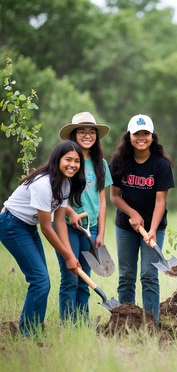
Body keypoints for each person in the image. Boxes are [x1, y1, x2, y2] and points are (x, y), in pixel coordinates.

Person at [0, 140, 85, 336]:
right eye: (68, 159)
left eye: (77, 161)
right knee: (40, 280)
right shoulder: (43, 185)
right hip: (11, 224)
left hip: (28, 226)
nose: (73, 164)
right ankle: (30, 332)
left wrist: (70, 253)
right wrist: (68, 257)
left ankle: (32, 329)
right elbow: (47, 228)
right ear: (57, 160)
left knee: (41, 280)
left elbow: (60, 222)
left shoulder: (65, 183)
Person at [109, 114, 174, 323]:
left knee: (149, 274)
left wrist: (153, 229)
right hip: (126, 226)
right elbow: (115, 197)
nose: (141, 137)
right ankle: (125, 321)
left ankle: (151, 322)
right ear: (129, 136)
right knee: (126, 275)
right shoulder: (119, 161)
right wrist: (133, 213)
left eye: (145, 133)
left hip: (154, 226)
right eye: (137, 133)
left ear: (152, 136)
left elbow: (160, 202)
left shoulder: (161, 164)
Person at [58, 112, 113, 322]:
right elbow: (56, 196)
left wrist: (101, 232)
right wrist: (71, 212)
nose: (87, 135)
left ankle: (81, 323)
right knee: (71, 277)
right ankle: (67, 324)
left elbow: (102, 201)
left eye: (91, 132)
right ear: (74, 134)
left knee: (85, 280)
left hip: (90, 229)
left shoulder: (101, 164)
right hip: (67, 226)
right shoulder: (68, 161)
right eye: (82, 131)